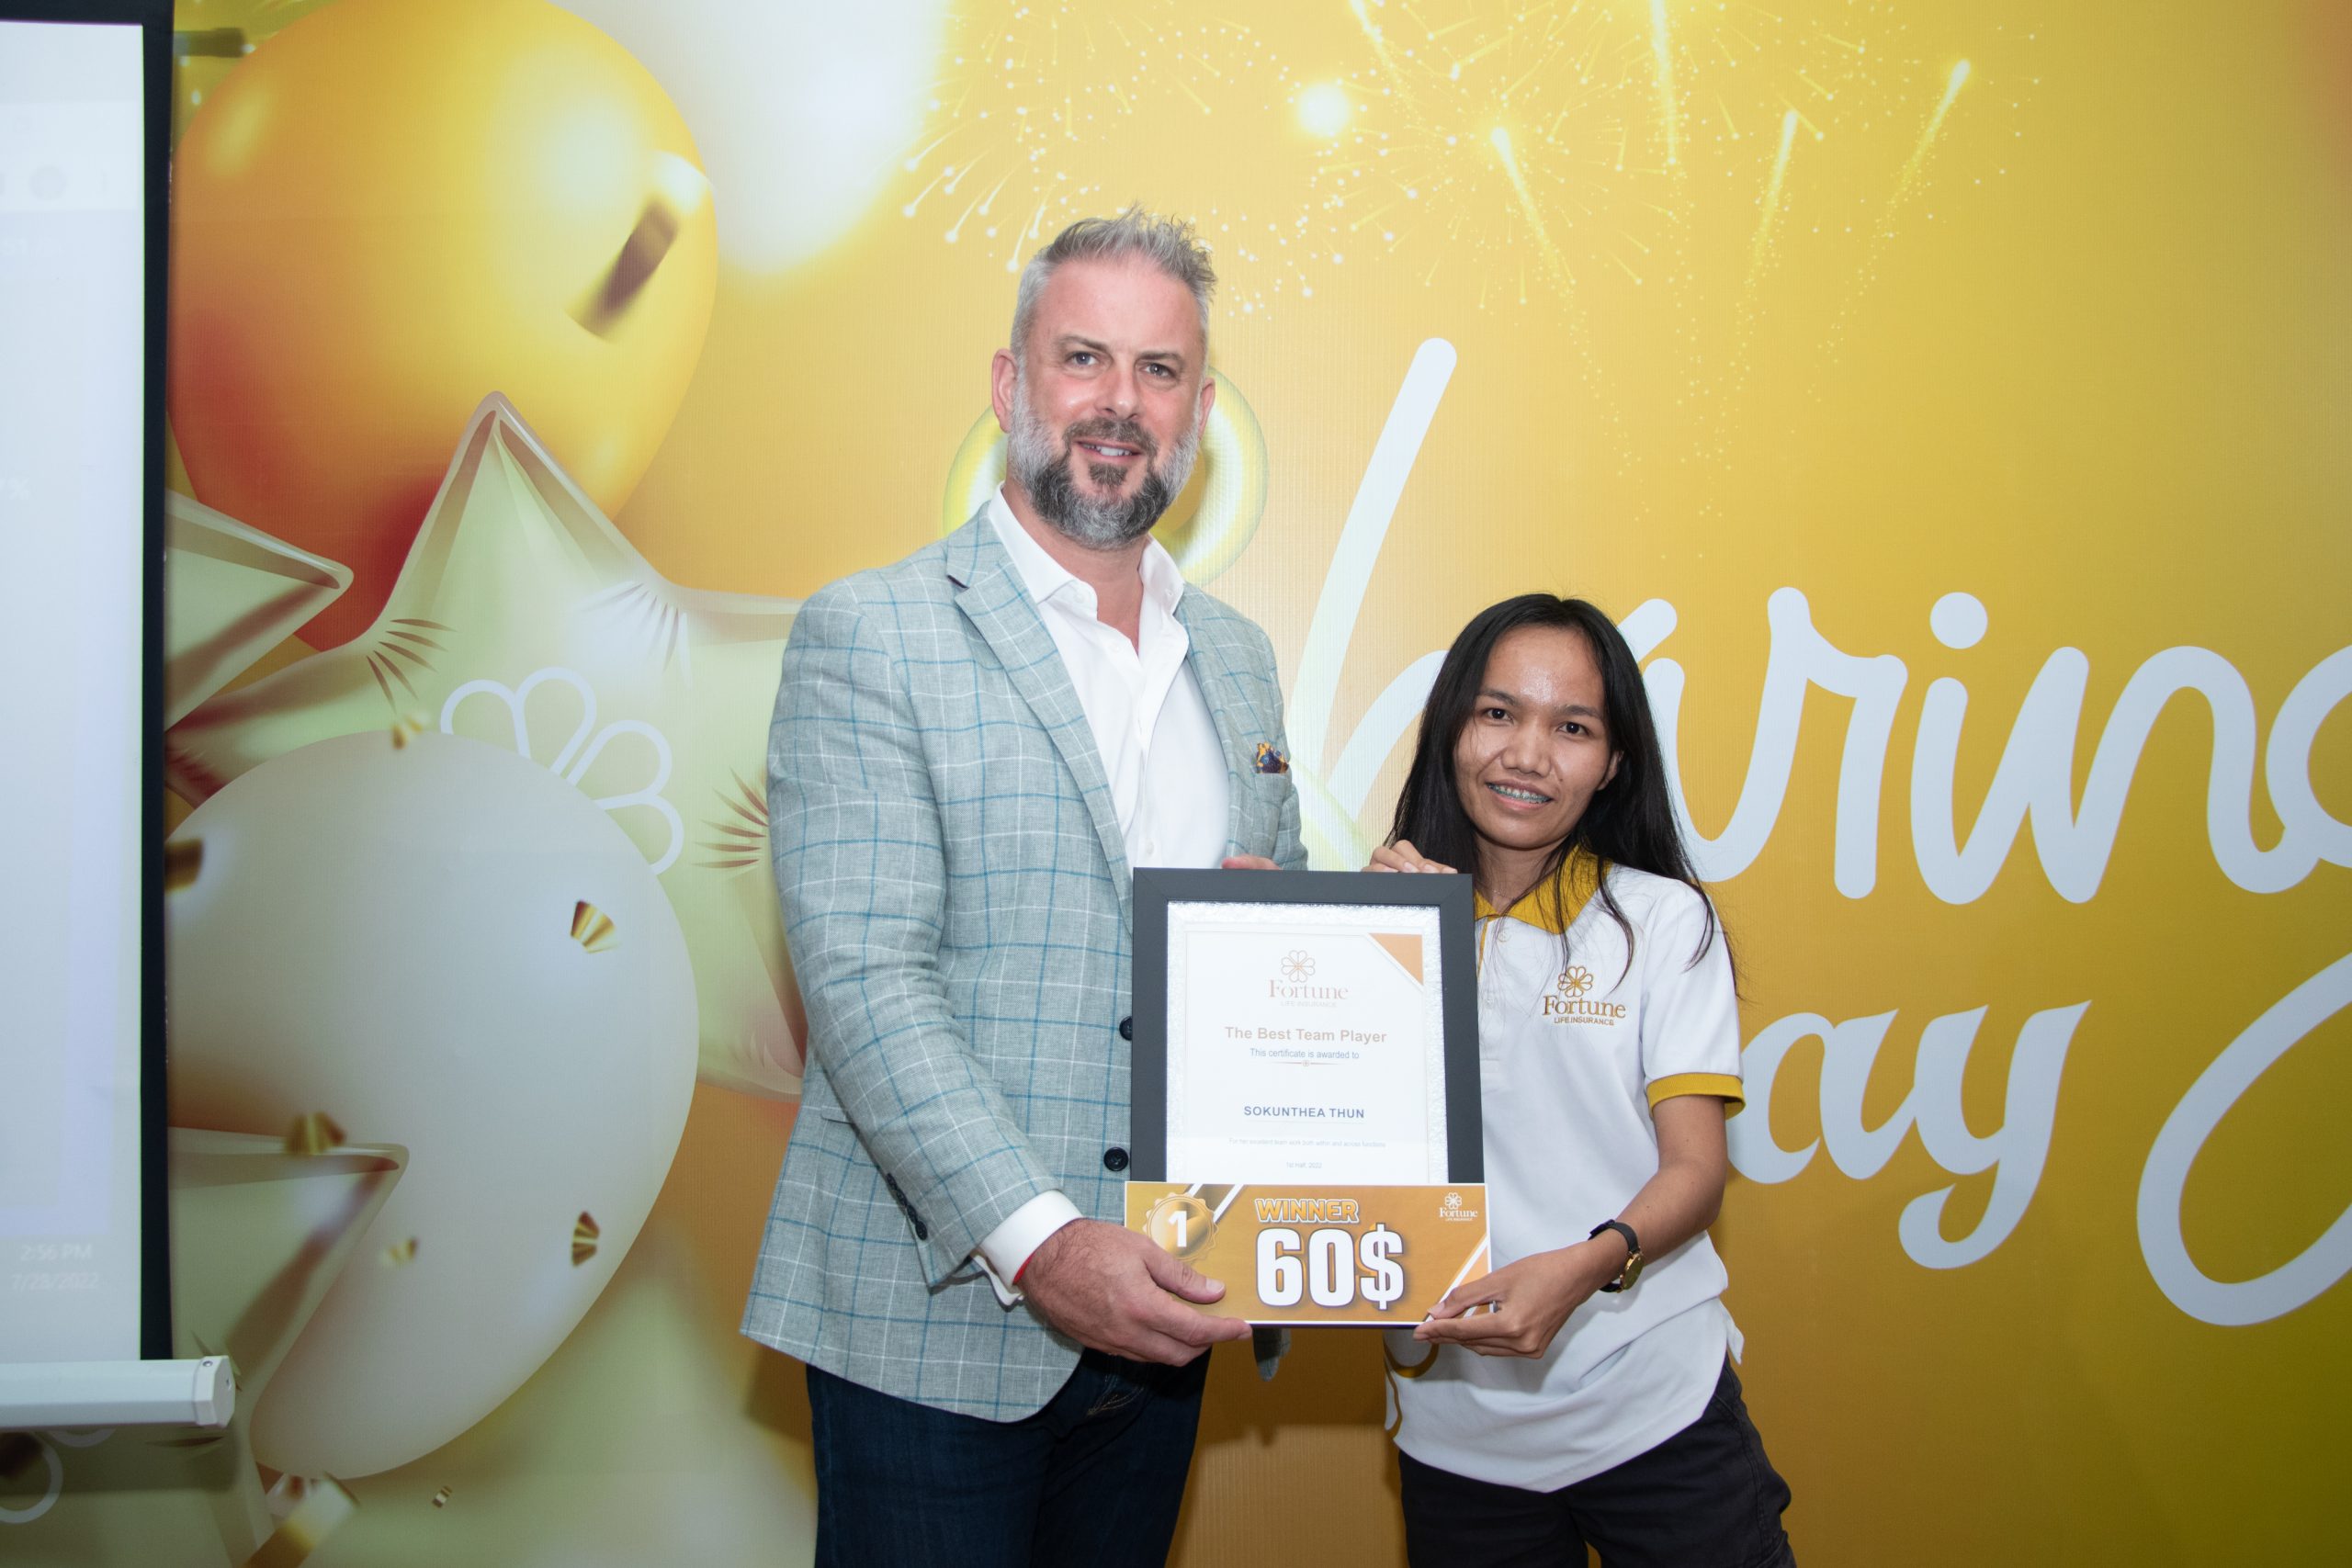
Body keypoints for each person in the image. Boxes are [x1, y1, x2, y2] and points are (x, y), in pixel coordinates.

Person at [743, 208, 1305, 1568]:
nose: (1121, 403)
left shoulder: (1237, 659)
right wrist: (1045, 1244)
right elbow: (866, 982)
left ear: (1200, 413)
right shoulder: (872, 632)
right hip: (933, 1327)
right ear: (1010, 384)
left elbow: (1266, 958)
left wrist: (1331, 943)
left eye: (1160, 370)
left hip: (1164, 1325)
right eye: (1082, 358)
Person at [1368, 594, 1796, 1567]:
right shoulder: (1381, 927)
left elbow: (1695, 1172)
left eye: (1572, 728)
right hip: (1455, 1435)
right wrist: (1359, 949)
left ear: (1612, 764)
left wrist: (1587, 1266)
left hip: (1650, 1406)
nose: (1526, 755)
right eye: (1497, 713)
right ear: (1451, 730)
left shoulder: (1662, 921)